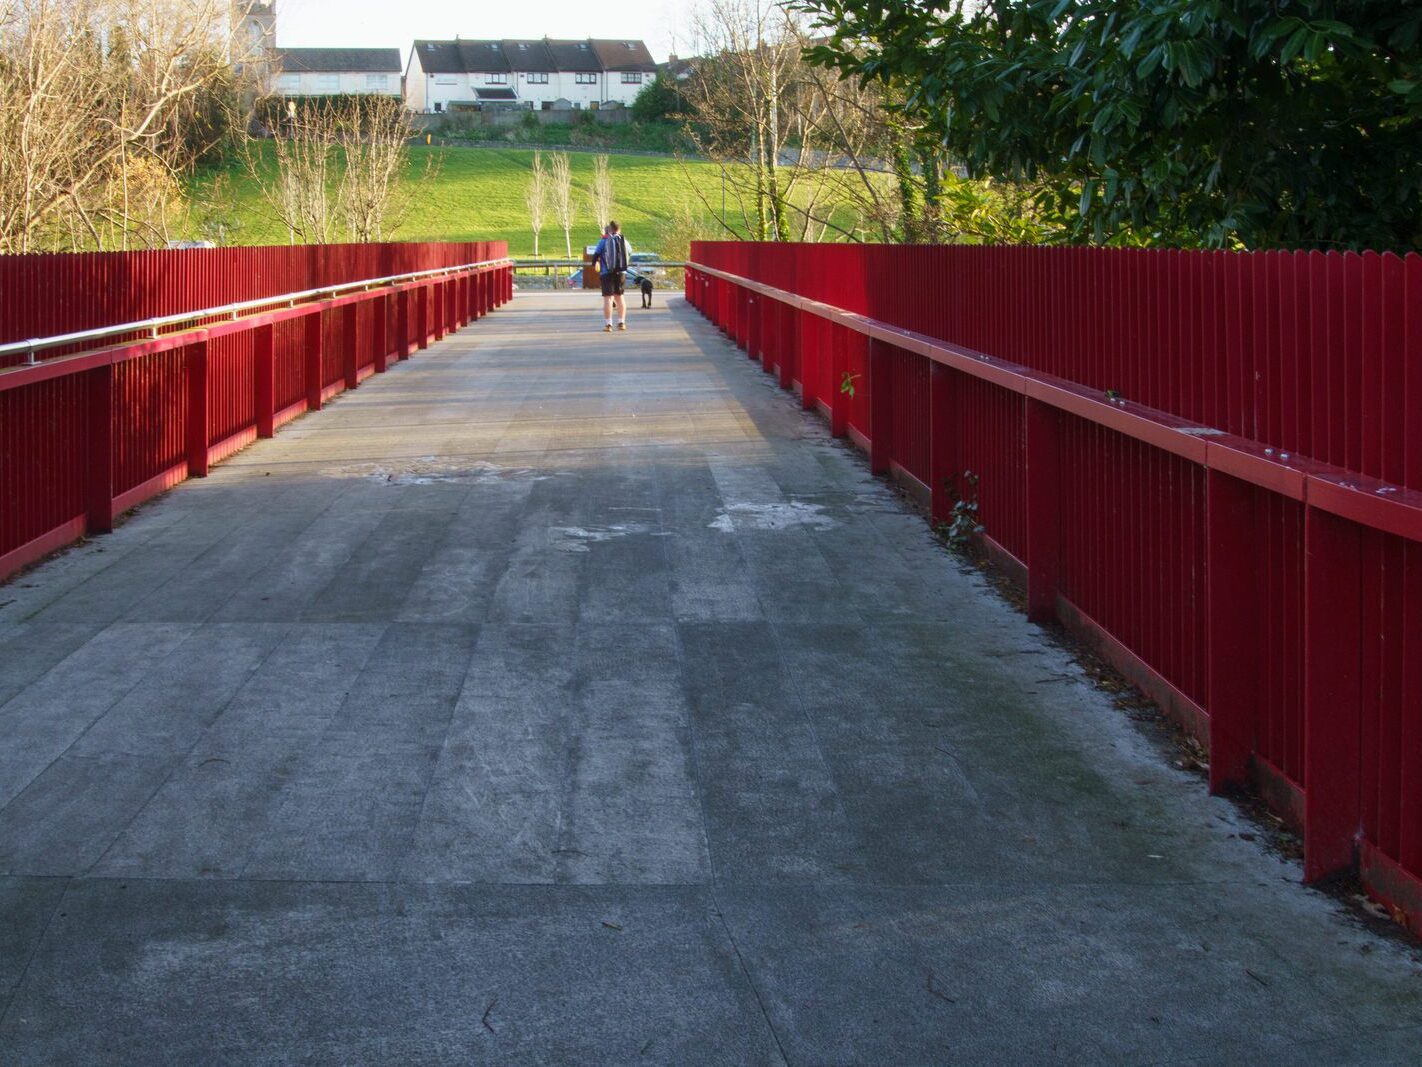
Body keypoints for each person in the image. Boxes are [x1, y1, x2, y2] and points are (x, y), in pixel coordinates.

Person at [592, 220, 631, 332]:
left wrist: (596, 263)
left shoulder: (603, 241)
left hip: (606, 272)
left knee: (608, 299)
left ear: (610, 229)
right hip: (621, 272)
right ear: (619, 229)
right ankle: (621, 322)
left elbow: (595, 256)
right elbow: (629, 253)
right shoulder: (624, 241)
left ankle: (609, 325)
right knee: (620, 298)